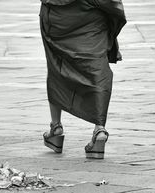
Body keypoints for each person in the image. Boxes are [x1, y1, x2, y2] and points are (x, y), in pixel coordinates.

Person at [40, 0, 126, 159]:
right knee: (96, 65)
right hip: (93, 9)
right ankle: (99, 129)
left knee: (56, 63)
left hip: (58, 13)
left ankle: (56, 128)